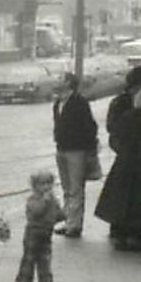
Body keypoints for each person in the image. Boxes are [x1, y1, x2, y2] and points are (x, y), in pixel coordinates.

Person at [94, 66, 141, 251]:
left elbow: (114, 130)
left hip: (126, 161)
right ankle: (135, 235)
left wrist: (122, 149)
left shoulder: (122, 107)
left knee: (122, 198)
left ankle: (120, 233)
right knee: (139, 200)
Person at [51, 71, 99, 238]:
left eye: (60, 79)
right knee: (66, 188)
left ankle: (75, 225)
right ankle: (68, 220)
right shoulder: (57, 103)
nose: (56, 81)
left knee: (76, 188)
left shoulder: (79, 103)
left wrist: (90, 149)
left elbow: (90, 127)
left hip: (77, 151)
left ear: (69, 83)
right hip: (62, 149)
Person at [12, 169, 64, 282]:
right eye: (42, 184)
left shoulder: (52, 199)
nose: (46, 187)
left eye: (49, 183)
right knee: (28, 264)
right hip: (32, 235)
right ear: (35, 186)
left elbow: (58, 215)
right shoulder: (32, 199)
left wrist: (62, 212)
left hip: (46, 235)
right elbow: (35, 212)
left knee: (45, 266)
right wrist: (45, 202)